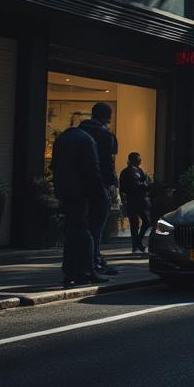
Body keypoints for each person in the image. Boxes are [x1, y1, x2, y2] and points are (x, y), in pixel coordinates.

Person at [51, 124, 104, 286]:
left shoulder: (61, 139)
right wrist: (99, 194)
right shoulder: (87, 140)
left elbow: (54, 166)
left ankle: (70, 270)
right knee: (84, 231)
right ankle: (86, 271)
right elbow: (92, 169)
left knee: (72, 230)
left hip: (65, 191)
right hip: (81, 192)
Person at [79, 103, 119, 276]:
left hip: (77, 187)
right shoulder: (105, 135)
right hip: (98, 186)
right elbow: (107, 164)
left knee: (79, 226)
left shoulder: (78, 132)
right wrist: (112, 183)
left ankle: (80, 262)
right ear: (107, 117)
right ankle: (94, 261)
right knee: (97, 227)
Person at [118, 152, 152, 254]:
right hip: (135, 200)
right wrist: (147, 185)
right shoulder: (131, 172)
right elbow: (137, 185)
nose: (140, 161)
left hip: (137, 200)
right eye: (138, 159)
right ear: (133, 160)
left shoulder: (137, 170)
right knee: (137, 223)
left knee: (142, 222)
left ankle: (137, 243)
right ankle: (136, 244)